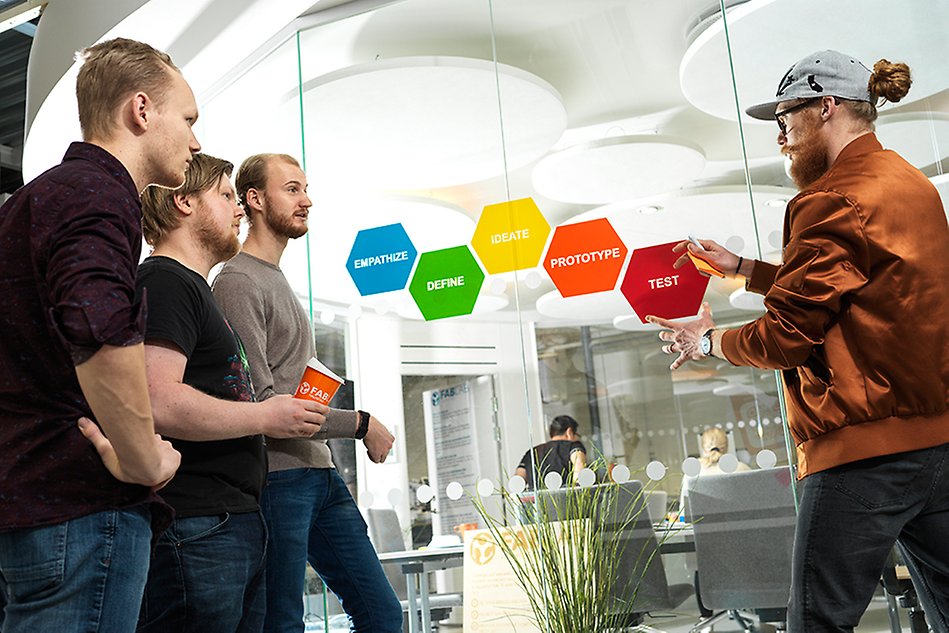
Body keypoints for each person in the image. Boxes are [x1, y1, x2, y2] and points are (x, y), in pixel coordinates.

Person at [647, 50, 949, 632]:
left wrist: (709, 342)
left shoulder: (827, 199)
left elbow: (789, 334)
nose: (780, 136)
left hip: (861, 455)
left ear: (826, 108)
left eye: (786, 118)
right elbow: (865, 286)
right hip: (938, 446)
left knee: (817, 623)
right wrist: (742, 268)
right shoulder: (910, 184)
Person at [0, 38, 194, 633]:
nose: (196, 141)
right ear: (141, 110)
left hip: (31, 500)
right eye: (187, 119)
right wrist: (144, 459)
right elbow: (99, 325)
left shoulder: (34, 200)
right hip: (78, 506)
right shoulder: (97, 195)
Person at [135, 153, 327, 633]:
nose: (239, 209)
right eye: (225, 196)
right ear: (184, 203)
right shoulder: (165, 281)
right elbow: (159, 400)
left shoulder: (194, 289)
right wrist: (265, 417)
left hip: (227, 521)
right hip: (199, 525)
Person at [211, 153, 401, 633]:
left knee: (382, 614)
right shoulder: (236, 281)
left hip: (320, 474)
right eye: (292, 189)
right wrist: (360, 423)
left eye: (305, 189)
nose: (306, 200)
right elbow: (262, 402)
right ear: (254, 199)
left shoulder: (273, 277)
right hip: (279, 478)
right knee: (282, 623)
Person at [515, 415, 588, 490]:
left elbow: (518, 479)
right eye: (577, 435)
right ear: (569, 432)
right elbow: (579, 464)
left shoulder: (532, 452)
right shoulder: (573, 446)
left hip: (537, 501)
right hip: (566, 499)